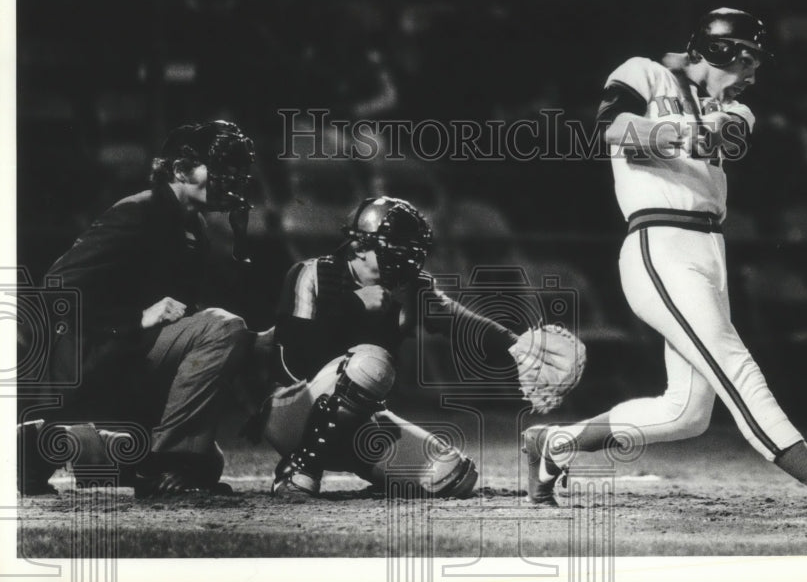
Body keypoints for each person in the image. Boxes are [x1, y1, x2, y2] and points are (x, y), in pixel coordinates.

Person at [521, 8, 807, 514]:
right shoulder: (642, 70)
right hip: (658, 245)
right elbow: (613, 129)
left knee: (686, 412)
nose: (754, 72)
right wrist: (675, 127)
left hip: (709, 252)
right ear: (723, 49)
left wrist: (681, 126)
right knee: (736, 365)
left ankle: (553, 444)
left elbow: (722, 134)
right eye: (748, 58)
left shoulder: (738, 109)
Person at [17, 120, 257, 498]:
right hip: (100, 358)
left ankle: (49, 446)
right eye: (222, 166)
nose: (234, 177)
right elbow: (56, 286)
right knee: (224, 328)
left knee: (209, 464)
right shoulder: (139, 211)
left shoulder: (192, 224)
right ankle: (156, 461)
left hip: (131, 366)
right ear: (180, 170)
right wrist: (134, 318)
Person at [248, 196, 520, 498]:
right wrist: (352, 306)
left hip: (358, 425)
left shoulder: (411, 289)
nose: (404, 261)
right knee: (371, 363)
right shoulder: (313, 273)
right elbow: (292, 360)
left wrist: (523, 349)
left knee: (453, 475)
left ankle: (370, 466)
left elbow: (466, 324)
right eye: (395, 250)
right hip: (291, 410)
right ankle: (298, 469)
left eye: (411, 252)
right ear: (360, 247)